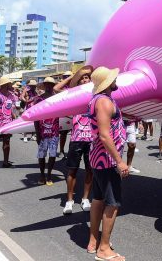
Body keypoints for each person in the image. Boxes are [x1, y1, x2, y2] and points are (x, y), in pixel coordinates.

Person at [86, 67, 128, 260]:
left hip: (99, 158)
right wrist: (119, 161)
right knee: (112, 204)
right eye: (113, 78)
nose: (116, 79)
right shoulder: (103, 101)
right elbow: (104, 135)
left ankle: (93, 241)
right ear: (107, 82)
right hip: (107, 160)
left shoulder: (100, 99)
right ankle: (103, 249)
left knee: (98, 199)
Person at [63, 66, 95, 215]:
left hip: (91, 139)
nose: (84, 79)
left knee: (90, 170)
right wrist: (73, 77)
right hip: (76, 138)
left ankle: (85, 199)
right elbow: (57, 89)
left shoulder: (95, 93)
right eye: (82, 78)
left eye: (87, 77)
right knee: (72, 170)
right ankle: (69, 201)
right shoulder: (72, 94)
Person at [33, 77, 59, 185]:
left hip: (54, 131)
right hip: (42, 132)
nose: (49, 86)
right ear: (44, 86)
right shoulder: (38, 100)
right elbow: (35, 117)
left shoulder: (58, 98)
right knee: (42, 155)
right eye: (47, 84)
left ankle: (49, 175)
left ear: (53, 86)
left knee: (52, 155)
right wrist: (37, 133)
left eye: (51, 85)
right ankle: (42, 175)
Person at [0, 76, 18, 167]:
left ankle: (5, 162)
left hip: (8, 122)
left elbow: (13, 109)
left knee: (7, 142)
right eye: (9, 83)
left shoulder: (12, 95)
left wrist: (15, 119)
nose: (10, 85)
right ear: (5, 84)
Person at [54, 71, 73, 157]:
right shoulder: (64, 88)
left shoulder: (75, 86)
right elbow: (56, 89)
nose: (67, 78)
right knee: (63, 134)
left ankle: (72, 152)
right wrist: (70, 77)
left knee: (74, 135)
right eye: (65, 76)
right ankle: (61, 150)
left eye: (68, 76)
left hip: (75, 114)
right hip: (65, 115)